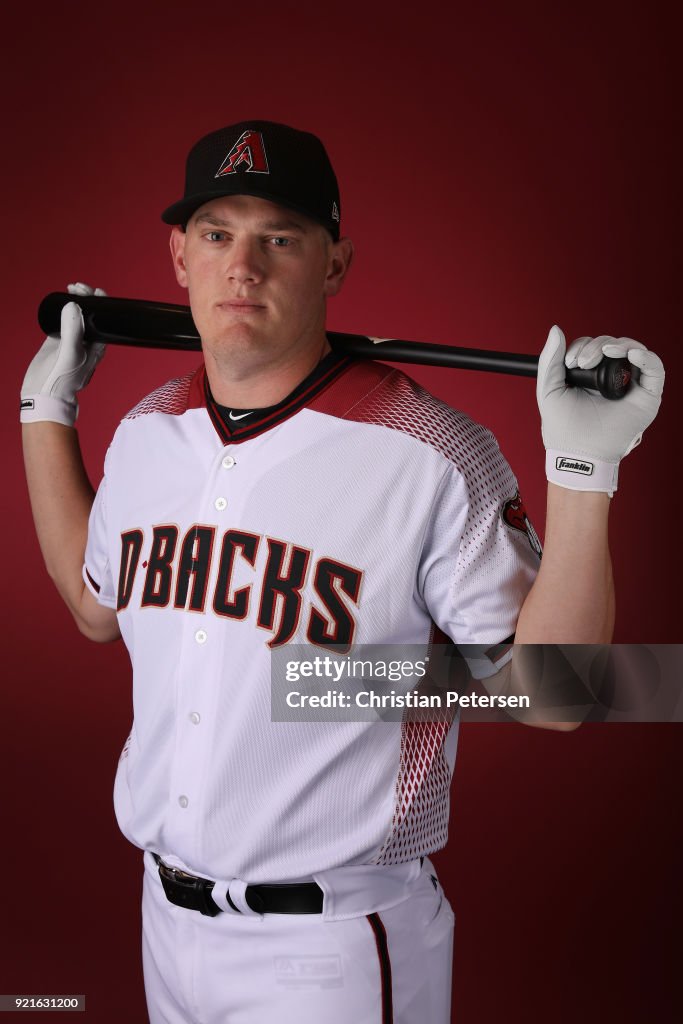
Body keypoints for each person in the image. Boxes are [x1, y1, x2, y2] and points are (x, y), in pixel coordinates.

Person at [20, 120, 664, 1024]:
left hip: (329, 949)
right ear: (178, 257)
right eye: (216, 234)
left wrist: (583, 472)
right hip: (164, 920)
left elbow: (559, 697)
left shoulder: (433, 453)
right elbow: (97, 611)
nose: (242, 267)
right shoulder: (144, 432)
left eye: (279, 238)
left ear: (334, 263)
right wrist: (47, 410)